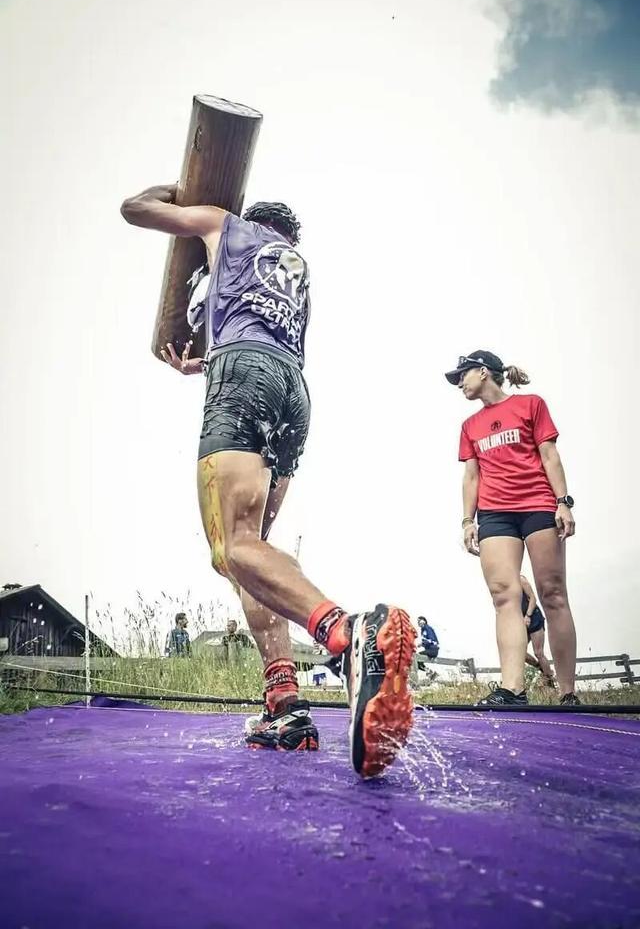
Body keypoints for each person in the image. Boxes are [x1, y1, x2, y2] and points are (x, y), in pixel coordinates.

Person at [120, 184, 416, 776]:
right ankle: (285, 702)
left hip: (243, 377)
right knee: (252, 553)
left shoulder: (224, 223)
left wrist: (178, 193)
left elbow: (134, 209)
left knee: (233, 547)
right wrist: (201, 361)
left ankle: (349, 633)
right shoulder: (295, 269)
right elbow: (254, 325)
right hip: (292, 390)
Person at [445, 350, 579, 707]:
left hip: (538, 505)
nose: (459, 383)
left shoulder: (531, 405)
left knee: (552, 593)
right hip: (495, 514)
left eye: (462, 375)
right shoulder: (469, 426)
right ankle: (513, 689)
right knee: (504, 595)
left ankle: (568, 692)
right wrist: (467, 520)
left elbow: (549, 455)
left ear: (483, 372)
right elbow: (471, 476)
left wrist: (563, 502)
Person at [520, 574, 555, 687]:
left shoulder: (521, 580)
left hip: (533, 617)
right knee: (520, 652)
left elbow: (533, 598)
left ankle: (549, 681)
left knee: (538, 652)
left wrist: (528, 615)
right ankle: (540, 668)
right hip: (520, 621)